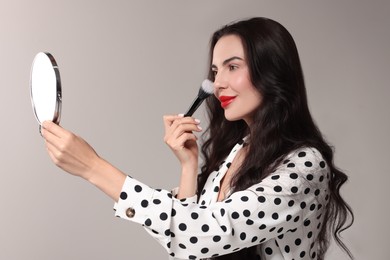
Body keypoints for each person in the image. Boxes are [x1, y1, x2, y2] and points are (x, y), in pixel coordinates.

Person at [41, 17, 354, 260]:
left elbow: (199, 235)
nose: (218, 83)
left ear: (272, 71)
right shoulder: (237, 152)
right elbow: (189, 250)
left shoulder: (305, 165)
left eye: (233, 67)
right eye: (216, 71)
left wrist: (94, 168)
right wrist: (189, 168)